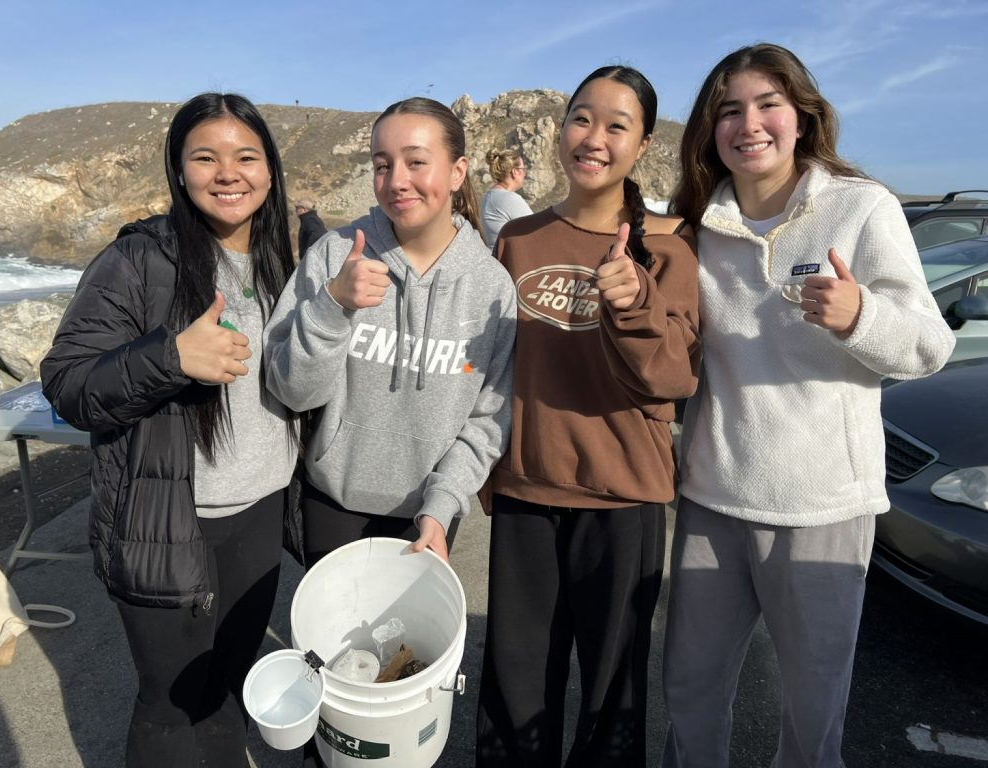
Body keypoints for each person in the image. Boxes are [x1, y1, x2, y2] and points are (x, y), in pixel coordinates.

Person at [660, 43, 956, 768]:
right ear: (709, 128)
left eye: (767, 105)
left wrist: (862, 316)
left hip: (824, 507)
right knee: (690, 694)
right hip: (712, 500)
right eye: (729, 110)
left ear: (802, 117)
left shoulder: (861, 209)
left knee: (813, 709)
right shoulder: (698, 226)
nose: (749, 124)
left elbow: (928, 347)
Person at [40, 92, 299, 768]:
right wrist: (170, 358)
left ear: (270, 170)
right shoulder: (137, 261)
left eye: (246, 156)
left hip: (260, 514)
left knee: (225, 690)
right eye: (204, 157)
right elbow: (68, 385)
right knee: (169, 704)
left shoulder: (281, 262)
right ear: (178, 170)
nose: (227, 172)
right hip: (168, 519)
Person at [476, 66, 701, 767]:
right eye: (580, 118)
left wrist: (633, 303)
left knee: (612, 701)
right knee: (514, 693)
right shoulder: (519, 241)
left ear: (643, 144)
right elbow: (487, 366)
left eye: (616, 125)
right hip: (526, 495)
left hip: (624, 499)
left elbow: (673, 379)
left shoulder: (669, 246)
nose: (592, 137)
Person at [263, 96, 516, 565]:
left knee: (406, 640)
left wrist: (443, 506)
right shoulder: (334, 255)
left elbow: (489, 418)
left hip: (428, 512)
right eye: (382, 165)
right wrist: (333, 306)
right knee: (336, 638)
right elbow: (292, 391)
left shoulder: (492, 286)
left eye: (416, 162)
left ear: (458, 172)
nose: (397, 180)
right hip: (331, 499)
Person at [481, 148, 534, 248]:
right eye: (523, 169)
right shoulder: (508, 199)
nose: (524, 174)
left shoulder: (489, 196)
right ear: (515, 172)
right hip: (505, 262)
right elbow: (537, 230)